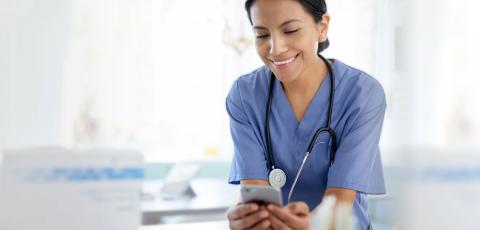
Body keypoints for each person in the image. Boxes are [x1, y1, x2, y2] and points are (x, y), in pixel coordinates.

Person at [225, 0, 386, 229]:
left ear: (322, 27)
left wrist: (310, 225)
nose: (275, 48)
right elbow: (254, 192)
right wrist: (248, 216)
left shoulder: (362, 94)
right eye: (262, 35)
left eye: (290, 30)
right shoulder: (245, 95)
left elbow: (340, 201)